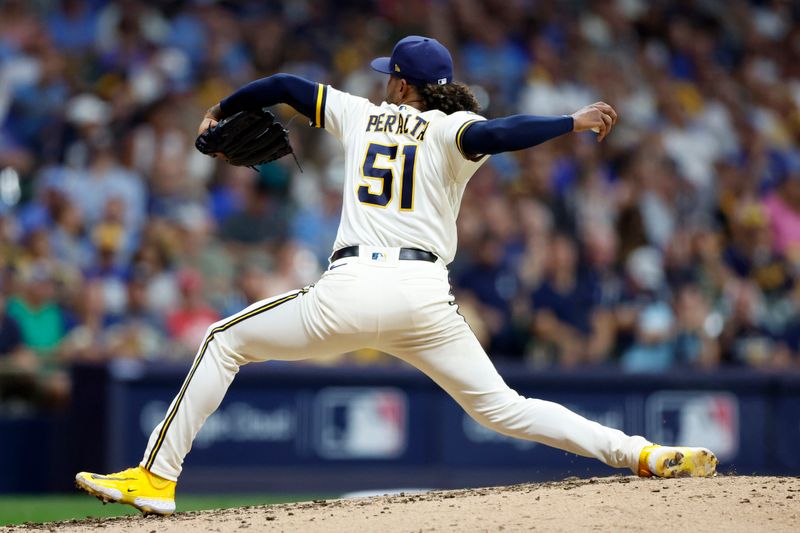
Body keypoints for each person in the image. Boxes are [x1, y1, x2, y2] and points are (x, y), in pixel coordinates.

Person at [75, 36, 717, 516]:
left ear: (404, 85)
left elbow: (283, 84)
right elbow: (500, 133)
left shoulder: (358, 114)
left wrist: (222, 107)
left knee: (225, 340)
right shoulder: (452, 129)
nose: (387, 83)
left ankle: (158, 477)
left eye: (393, 77)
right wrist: (570, 123)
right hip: (425, 300)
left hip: (350, 293)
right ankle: (642, 454)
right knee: (507, 409)